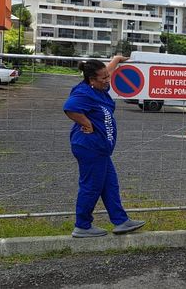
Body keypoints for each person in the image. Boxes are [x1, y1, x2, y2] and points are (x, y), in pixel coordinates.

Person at [63, 57, 145, 238]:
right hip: (89, 147)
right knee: (91, 186)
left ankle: (120, 221)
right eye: (104, 78)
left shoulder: (98, 85)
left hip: (100, 149)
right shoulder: (84, 93)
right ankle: (82, 225)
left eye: (108, 76)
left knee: (110, 185)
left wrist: (116, 59)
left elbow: (107, 70)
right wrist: (86, 123)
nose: (108, 80)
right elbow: (69, 108)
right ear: (92, 80)